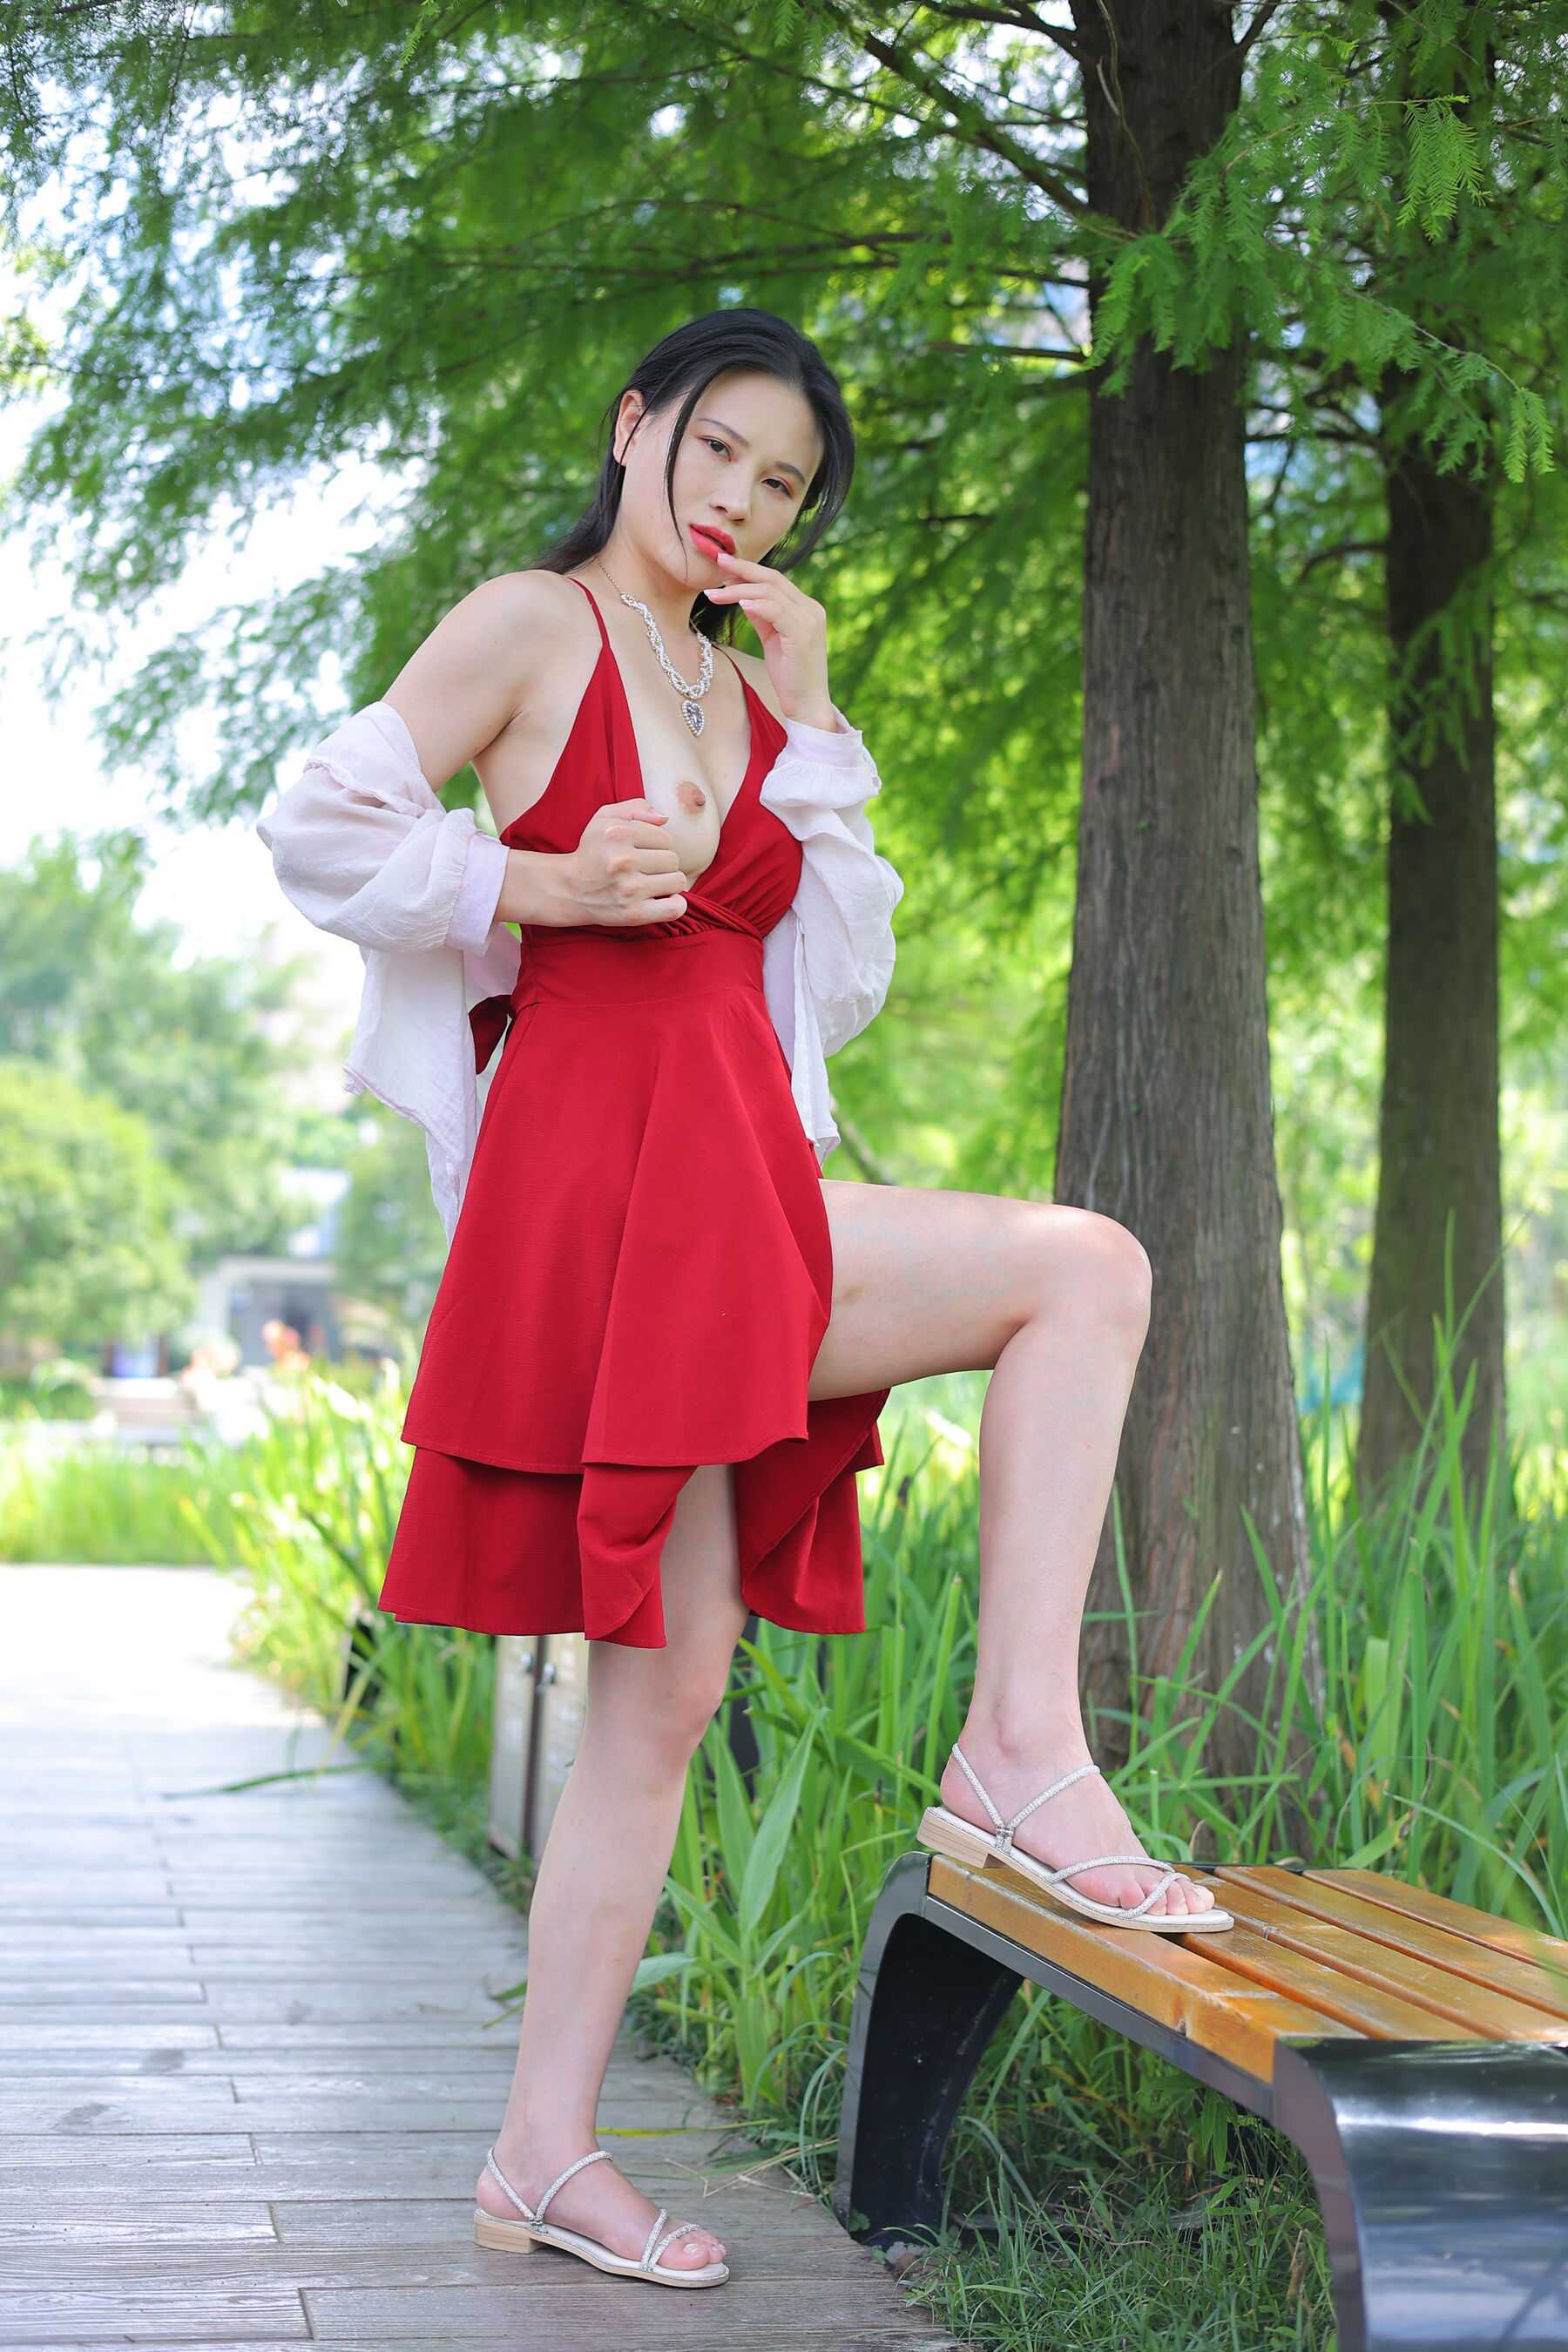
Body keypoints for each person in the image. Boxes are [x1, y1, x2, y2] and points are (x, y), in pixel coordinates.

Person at [258, 307, 1228, 2296]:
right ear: (637, 429)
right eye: (718, 451)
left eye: (783, 485)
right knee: (1069, 1286)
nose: (742, 502)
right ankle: (1008, 1764)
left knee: (684, 1678)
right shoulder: (528, 625)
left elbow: (830, 982)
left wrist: (814, 713)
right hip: (608, 1192)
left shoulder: (743, 680)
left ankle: (550, 2146)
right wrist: (531, 885)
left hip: (735, 1180)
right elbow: (317, 826)